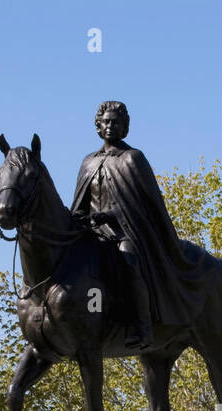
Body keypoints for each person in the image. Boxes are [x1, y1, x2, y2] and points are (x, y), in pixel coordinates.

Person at [70, 101, 192, 350]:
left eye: (116, 122)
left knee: (129, 262)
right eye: (106, 122)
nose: (110, 126)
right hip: (93, 234)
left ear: (125, 127)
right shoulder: (88, 162)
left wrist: (109, 215)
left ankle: (143, 327)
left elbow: (147, 206)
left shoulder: (133, 159)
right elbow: (80, 205)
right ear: (98, 126)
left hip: (126, 232)